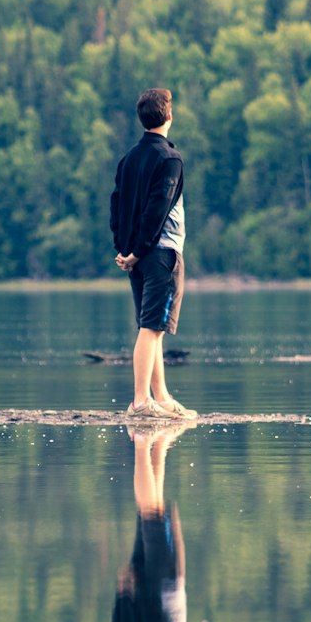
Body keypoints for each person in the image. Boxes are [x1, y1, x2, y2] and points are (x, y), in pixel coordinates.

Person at [109, 87, 196, 420]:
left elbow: (116, 205)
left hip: (139, 256)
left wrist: (125, 249)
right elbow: (157, 210)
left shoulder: (129, 159)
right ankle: (141, 401)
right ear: (169, 117)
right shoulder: (170, 159)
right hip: (161, 254)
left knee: (151, 326)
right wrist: (138, 249)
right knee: (152, 327)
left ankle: (160, 396)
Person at [112, 423, 188, 622]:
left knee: (153, 515)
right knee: (152, 515)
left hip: (161, 588)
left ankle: (143, 443)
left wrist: (142, 595)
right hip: (138, 590)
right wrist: (124, 595)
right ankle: (157, 442)